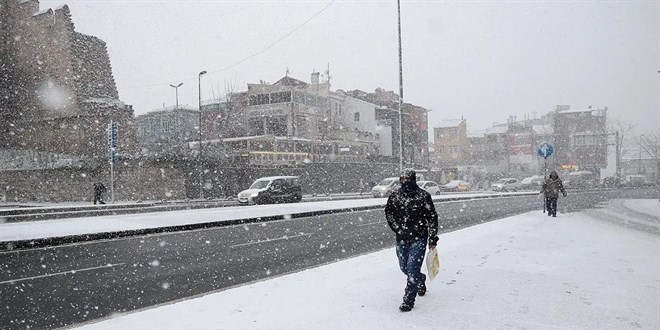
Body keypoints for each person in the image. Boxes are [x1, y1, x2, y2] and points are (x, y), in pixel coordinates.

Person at [384, 168, 439, 312]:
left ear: (413, 179)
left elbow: (432, 217)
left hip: (419, 238)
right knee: (404, 267)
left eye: (408, 179)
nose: (405, 181)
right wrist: (396, 228)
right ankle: (420, 279)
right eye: (403, 179)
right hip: (401, 238)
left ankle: (408, 299)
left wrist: (433, 237)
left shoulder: (423, 196)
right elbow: (389, 213)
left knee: (413, 268)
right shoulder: (395, 196)